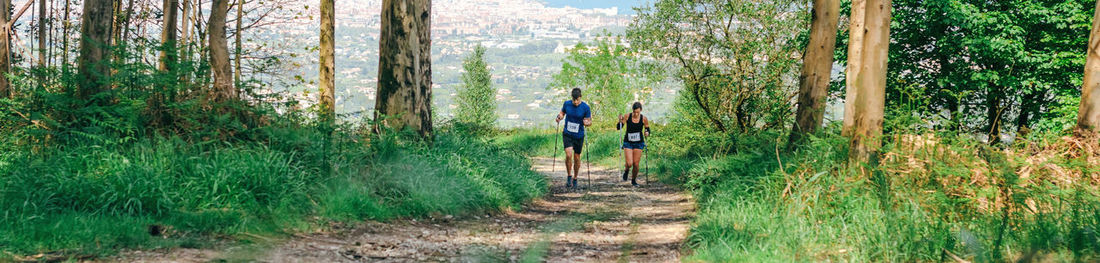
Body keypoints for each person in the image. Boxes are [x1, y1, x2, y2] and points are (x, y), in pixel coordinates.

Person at [556, 88, 592, 188]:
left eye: (577, 100)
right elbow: (562, 113)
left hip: (579, 135)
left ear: (580, 97)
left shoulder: (585, 107)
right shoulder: (567, 104)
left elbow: (589, 121)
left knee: (577, 157)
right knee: (568, 155)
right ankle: (569, 176)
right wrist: (559, 117)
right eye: (574, 100)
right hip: (568, 133)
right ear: (572, 98)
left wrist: (587, 123)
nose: (576, 102)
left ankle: (575, 177)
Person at [617, 102, 650, 187]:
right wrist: (620, 121)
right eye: (634, 112)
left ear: (641, 111)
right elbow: (619, 127)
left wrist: (647, 133)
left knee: (636, 164)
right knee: (629, 163)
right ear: (632, 110)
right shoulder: (627, 116)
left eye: (638, 112)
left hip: (639, 143)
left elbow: (647, 129)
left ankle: (633, 180)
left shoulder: (644, 119)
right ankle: (626, 170)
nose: (636, 114)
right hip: (628, 142)